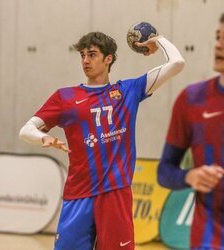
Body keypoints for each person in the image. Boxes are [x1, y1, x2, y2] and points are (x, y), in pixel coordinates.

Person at [19, 30, 184, 249]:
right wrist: (43, 138)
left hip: (115, 194)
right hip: (79, 195)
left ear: (108, 59)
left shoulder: (128, 91)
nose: (85, 60)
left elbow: (177, 63)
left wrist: (158, 40)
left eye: (92, 54)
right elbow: (26, 130)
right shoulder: (65, 97)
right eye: (82, 55)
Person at [158, 13, 224, 250]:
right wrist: (190, 176)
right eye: (218, 37)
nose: (219, 44)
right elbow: (164, 171)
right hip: (208, 238)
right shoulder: (192, 100)